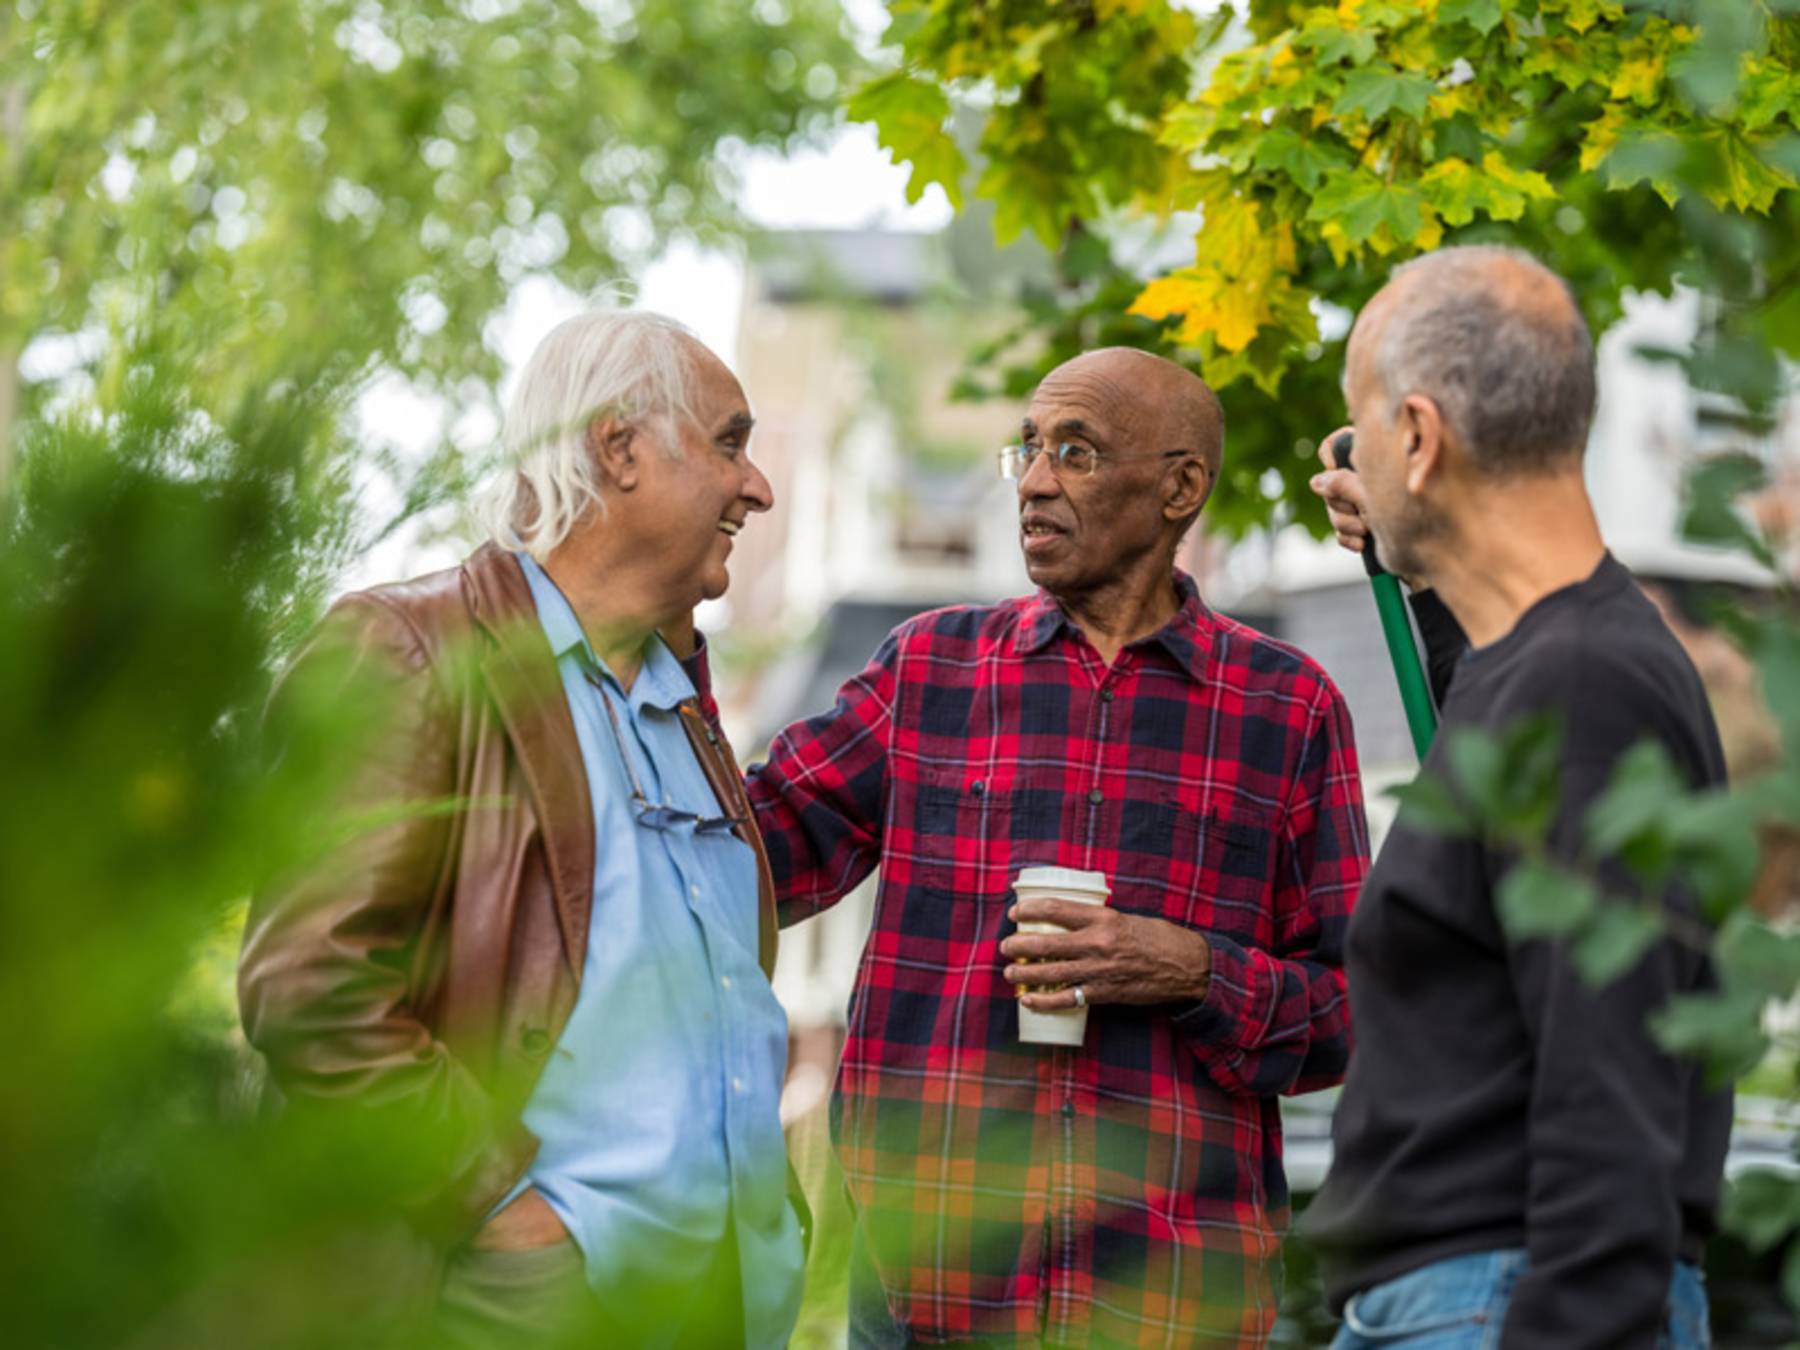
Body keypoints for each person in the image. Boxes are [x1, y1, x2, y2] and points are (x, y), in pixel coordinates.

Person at [732, 348, 1369, 1345]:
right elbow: (738, 856)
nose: (1033, 481)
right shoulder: (930, 669)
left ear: (1179, 487)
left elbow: (1352, 1014)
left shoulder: (1287, 709)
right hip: (923, 1288)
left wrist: (1191, 971)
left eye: (1074, 452)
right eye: (1028, 450)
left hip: (1165, 1300)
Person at [238, 311, 805, 1348]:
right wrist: (499, 1211)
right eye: (729, 442)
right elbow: (312, 985)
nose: (757, 485)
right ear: (618, 446)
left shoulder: (688, 707)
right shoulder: (414, 648)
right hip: (540, 1297)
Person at [1303, 245, 1731, 1349]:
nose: (1347, 465)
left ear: (1419, 435)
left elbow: (1611, 1087)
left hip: (1500, 1300)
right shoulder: (1556, 668)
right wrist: (1415, 555)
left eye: (1362, 433)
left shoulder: (1581, 688)